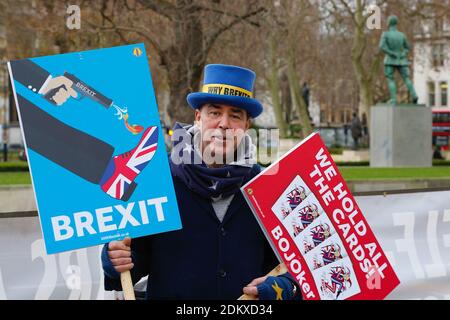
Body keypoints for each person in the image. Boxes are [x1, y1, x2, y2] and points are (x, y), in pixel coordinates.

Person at [101, 64, 302, 300]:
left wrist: (283, 288)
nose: (224, 123)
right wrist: (113, 259)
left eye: (235, 115)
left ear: (247, 125)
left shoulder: (268, 187)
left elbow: (298, 268)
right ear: (198, 117)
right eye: (214, 113)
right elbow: (132, 263)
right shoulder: (156, 179)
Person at [379, 15, 418, 105]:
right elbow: (407, 48)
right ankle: (414, 95)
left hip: (390, 60)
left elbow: (381, 46)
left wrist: (391, 53)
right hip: (401, 60)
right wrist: (403, 53)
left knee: (390, 79)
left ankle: (394, 99)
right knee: (406, 78)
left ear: (388, 23)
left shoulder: (386, 34)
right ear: (396, 23)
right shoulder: (402, 35)